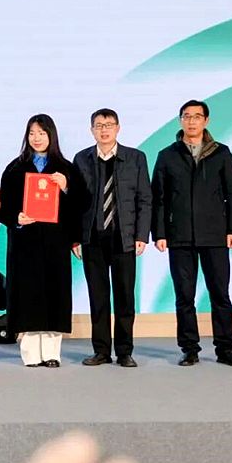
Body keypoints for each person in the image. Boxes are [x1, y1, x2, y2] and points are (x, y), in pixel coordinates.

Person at [151, 100, 232, 367]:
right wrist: (159, 233)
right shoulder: (167, 155)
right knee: (184, 296)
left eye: (197, 116)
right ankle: (189, 348)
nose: (191, 121)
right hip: (179, 236)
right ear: (180, 120)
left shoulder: (221, 153)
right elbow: (159, 199)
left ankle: (225, 348)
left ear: (206, 121)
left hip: (215, 235)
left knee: (220, 294)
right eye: (186, 116)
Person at [0, 114, 80, 367]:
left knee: (55, 294)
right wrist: (16, 217)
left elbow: (80, 206)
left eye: (42, 133)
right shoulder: (15, 168)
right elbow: (2, 208)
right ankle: (31, 354)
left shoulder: (66, 168)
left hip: (56, 243)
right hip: (25, 243)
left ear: (51, 136)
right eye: (32, 133)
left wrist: (66, 188)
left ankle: (52, 353)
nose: (37, 138)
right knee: (28, 295)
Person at [72, 108, 151, 367]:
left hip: (123, 237)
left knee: (125, 297)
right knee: (98, 297)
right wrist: (75, 238)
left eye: (108, 125)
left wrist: (141, 235)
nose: (104, 130)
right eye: (98, 125)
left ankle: (125, 351)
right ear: (91, 130)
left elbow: (145, 199)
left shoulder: (135, 158)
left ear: (118, 128)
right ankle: (101, 351)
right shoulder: (81, 159)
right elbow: (74, 202)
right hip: (92, 238)